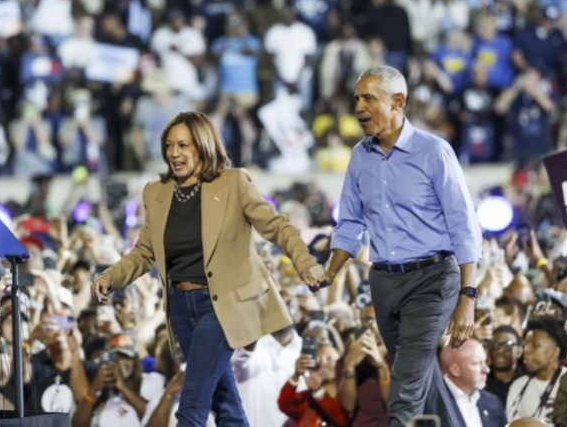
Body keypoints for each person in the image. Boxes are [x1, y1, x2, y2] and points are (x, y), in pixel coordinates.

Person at [91, 111, 328, 427]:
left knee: (192, 406)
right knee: (224, 402)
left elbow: (277, 227)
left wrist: (306, 263)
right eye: (169, 145)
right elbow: (145, 251)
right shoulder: (156, 193)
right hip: (180, 307)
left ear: (202, 145)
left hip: (220, 306)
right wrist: (110, 276)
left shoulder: (233, 182)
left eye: (183, 145)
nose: (174, 153)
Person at [325, 65, 482, 426]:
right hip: (383, 281)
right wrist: (330, 273)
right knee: (419, 376)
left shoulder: (434, 152)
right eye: (356, 99)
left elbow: (465, 226)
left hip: (433, 279)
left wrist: (468, 296)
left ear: (398, 101)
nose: (359, 108)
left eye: (369, 98)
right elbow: (350, 222)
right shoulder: (359, 156)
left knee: (406, 387)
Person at [439, 338, 509, 427]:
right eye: (477, 363)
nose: (486, 370)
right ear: (455, 370)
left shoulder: (492, 403)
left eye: (485, 362)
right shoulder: (432, 403)